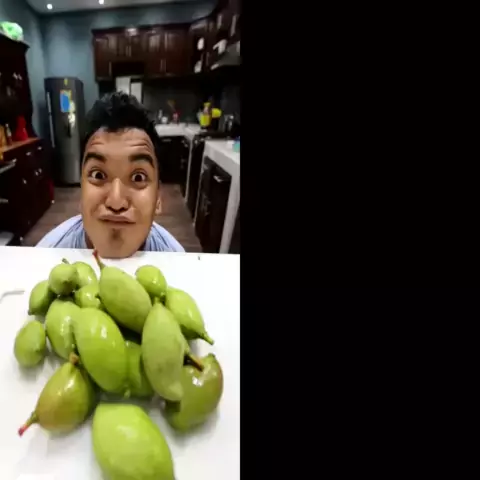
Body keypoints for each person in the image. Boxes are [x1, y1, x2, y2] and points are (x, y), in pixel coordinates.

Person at [36, 92, 184, 258]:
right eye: (98, 175)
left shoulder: (177, 262)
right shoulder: (44, 259)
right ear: (81, 193)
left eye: (138, 177)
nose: (116, 202)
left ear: (158, 198)